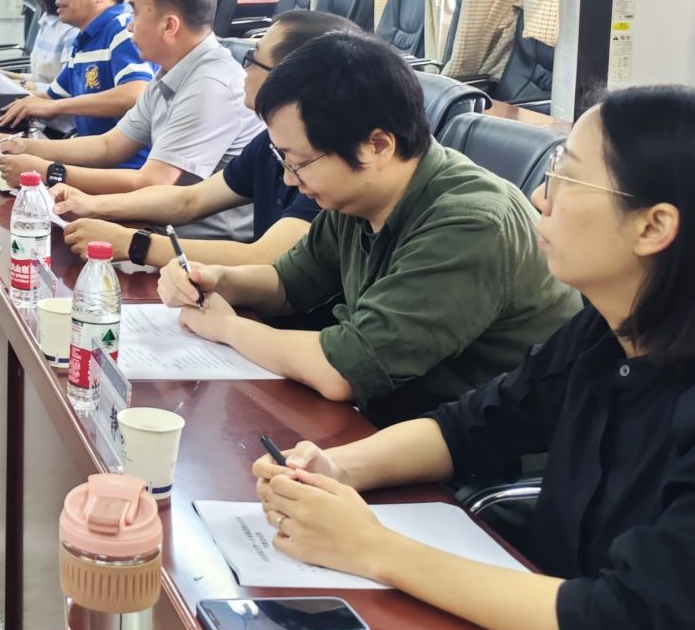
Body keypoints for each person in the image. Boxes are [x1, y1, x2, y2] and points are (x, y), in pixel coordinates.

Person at [249, 86, 695, 630]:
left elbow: (639, 626)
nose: (540, 197)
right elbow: (475, 425)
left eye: (565, 177)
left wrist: (374, 549)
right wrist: (336, 469)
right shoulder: (616, 322)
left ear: (653, 226)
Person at [159, 32, 579, 423]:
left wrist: (226, 327)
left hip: (473, 452)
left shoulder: (471, 223)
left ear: (377, 145)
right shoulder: (360, 194)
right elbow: (289, 283)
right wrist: (217, 280)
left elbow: (342, 369)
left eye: (299, 162)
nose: (289, 178)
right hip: (393, 424)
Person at [55, 10, 361, 264]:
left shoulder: (331, 163)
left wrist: (133, 243)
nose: (244, 69)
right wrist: (93, 205)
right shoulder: (269, 141)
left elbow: (266, 257)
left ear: (293, 78)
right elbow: (190, 200)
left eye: (253, 59)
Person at [0, 0, 255, 204]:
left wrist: (49, 171)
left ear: (169, 25)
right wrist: (23, 147)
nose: (130, 26)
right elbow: (109, 146)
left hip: (186, 233)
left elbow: (153, 182)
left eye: (136, 14)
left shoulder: (211, 86)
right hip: (158, 217)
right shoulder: (170, 73)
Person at [0, 0, 154, 155]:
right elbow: (49, 97)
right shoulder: (84, 40)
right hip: (92, 158)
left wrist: (56, 106)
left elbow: (136, 94)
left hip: (124, 167)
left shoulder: (122, 29)